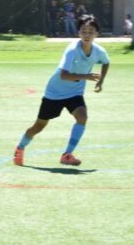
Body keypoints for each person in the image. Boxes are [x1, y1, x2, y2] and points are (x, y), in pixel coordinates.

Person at [13, 14, 109, 167]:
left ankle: (67, 155)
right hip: (55, 93)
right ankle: (20, 147)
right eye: (83, 31)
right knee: (39, 126)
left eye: (91, 31)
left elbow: (106, 62)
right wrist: (87, 76)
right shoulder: (72, 50)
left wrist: (101, 81)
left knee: (82, 117)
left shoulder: (98, 51)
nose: (87, 35)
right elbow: (64, 75)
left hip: (75, 93)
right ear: (78, 33)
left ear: (96, 34)